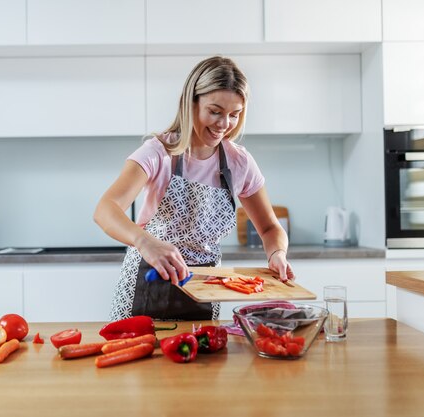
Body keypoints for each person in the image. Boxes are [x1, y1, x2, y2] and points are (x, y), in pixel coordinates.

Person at [94, 56, 294, 321]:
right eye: (215, 111)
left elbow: (269, 228)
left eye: (234, 115)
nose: (224, 124)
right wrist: (145, 242)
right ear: (191, 103)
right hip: (146, 280)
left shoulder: (239, 162)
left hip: (204, 288)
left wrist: (277, 253)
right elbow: (105, 210)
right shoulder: (159, 153)